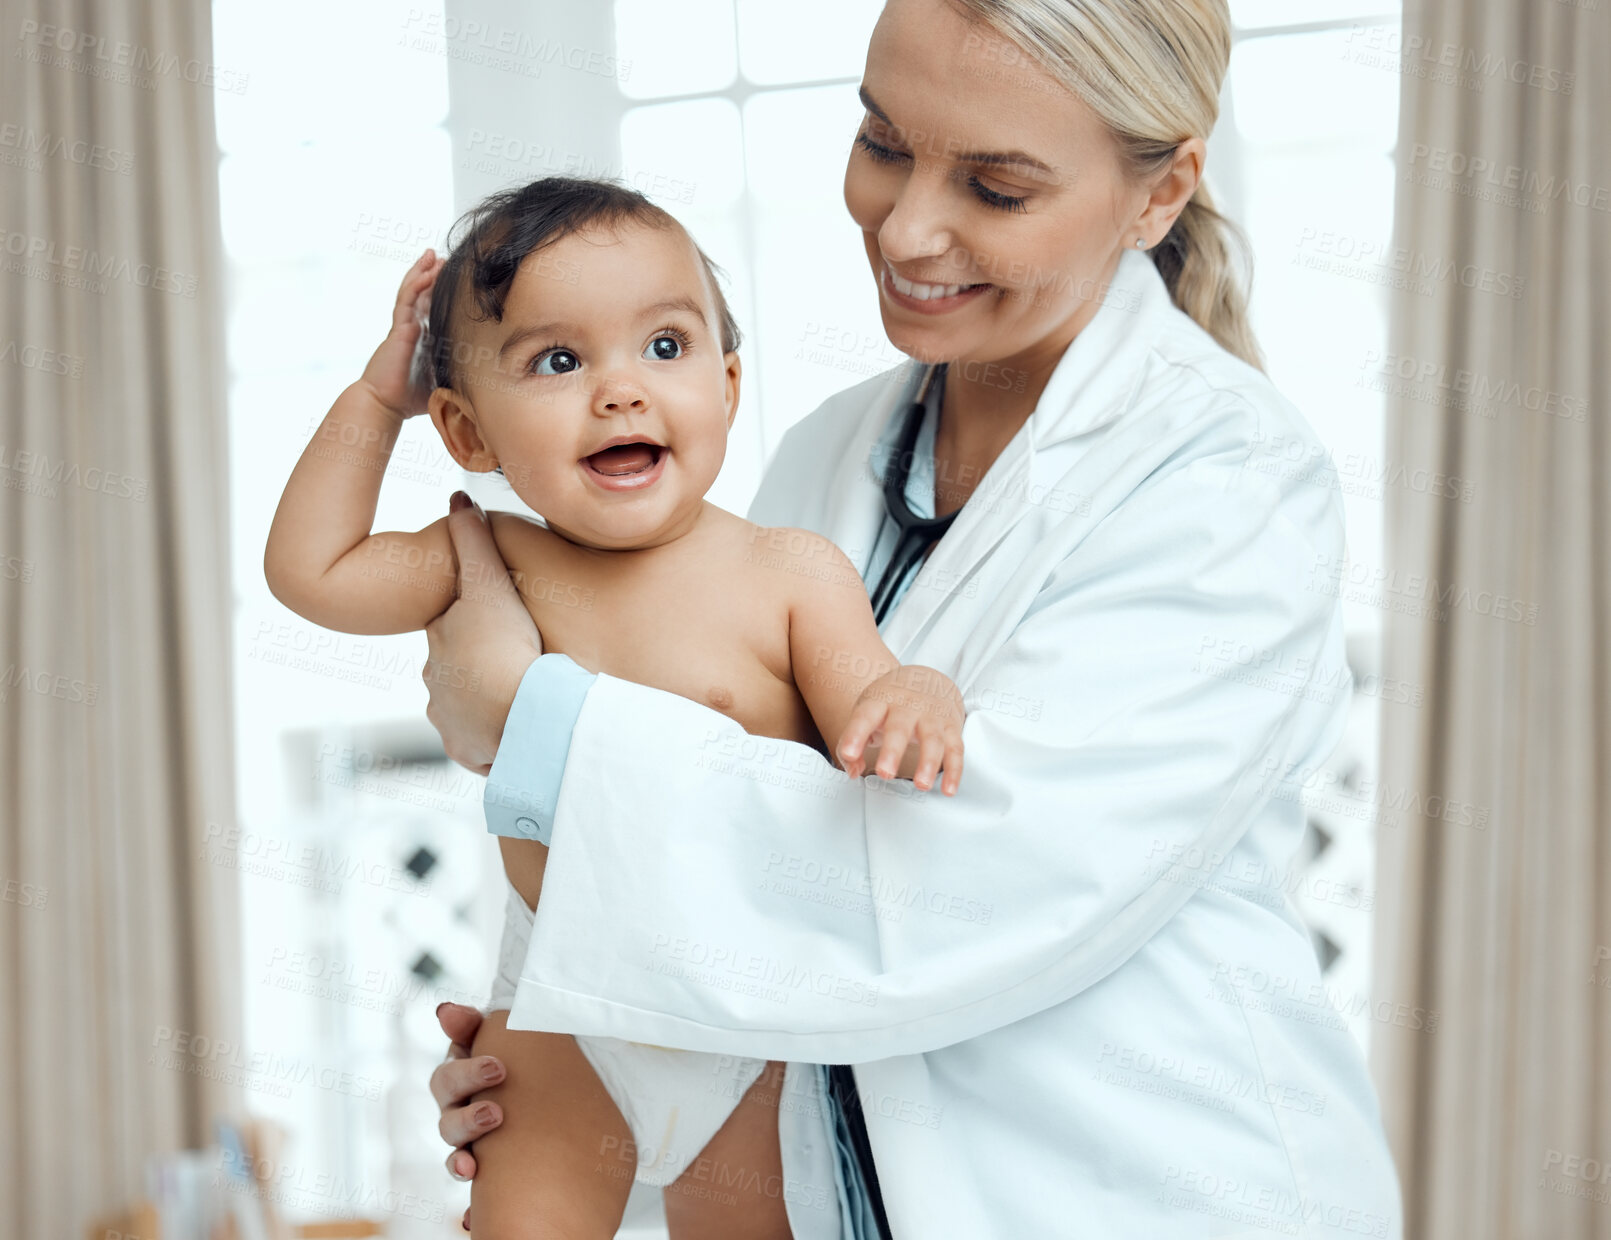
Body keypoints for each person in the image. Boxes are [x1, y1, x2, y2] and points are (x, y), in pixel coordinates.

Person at [426, 0, 1405, 1236]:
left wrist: (528, 719)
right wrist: (574, 1045)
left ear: (1159, 197)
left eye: (996, 188)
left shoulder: (1227, 483)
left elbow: (953, 899)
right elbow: (728, 845)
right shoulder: (826, 455)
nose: (906, 226)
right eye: (884, 142)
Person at [263, 176, 966, 1238]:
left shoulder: (790, 573)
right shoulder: (484, 557)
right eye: (558, 360)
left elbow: (871, 707)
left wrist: (920, 688)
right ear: (464, 429)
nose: (620, 391)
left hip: (739, 1011)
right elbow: (311, 571)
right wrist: (377, 400)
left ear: (729, 383)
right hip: (557, 1000)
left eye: (667, 348)